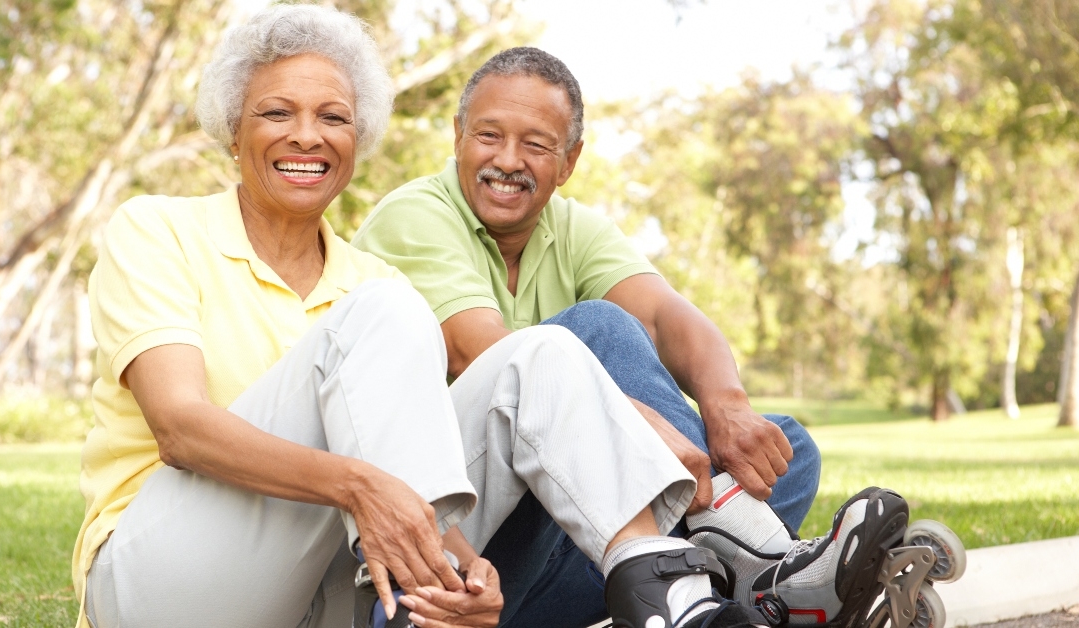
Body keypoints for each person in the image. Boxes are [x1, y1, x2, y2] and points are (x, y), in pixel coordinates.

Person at [72, 8, 783, 628]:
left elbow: (412, 467)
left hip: (333, 597)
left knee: (541, 354)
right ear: (233, 129)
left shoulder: (371, 279)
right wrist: (357, 485)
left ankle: (664, 594)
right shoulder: (159, 230)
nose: (307, 136)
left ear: (358, 140)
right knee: (389, 315)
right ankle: (743, 559)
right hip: (166, 586)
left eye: (334, 118)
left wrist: (467, 569)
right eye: (276, 113)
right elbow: (180, 428)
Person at [353, 47, 910, 627]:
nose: (508, 160)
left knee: (779, 449)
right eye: (489, 135)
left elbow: (666, 317)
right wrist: (630, 429)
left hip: (554, 563)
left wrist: (728, 407)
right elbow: (491, 355)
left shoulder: (570, 227)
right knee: (592, 328)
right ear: (458, 136)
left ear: (569, 161)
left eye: (536, 145)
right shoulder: (413, 216)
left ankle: (719, 587)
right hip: (451, 554)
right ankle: (759, 569)